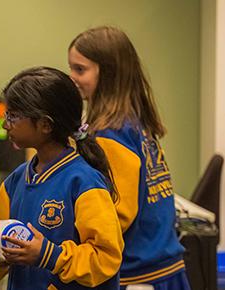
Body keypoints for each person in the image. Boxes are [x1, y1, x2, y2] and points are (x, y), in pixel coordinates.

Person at [67, 26, 190, 289]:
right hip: (163, 266)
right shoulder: (135, 124)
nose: (72, 77)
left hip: (139, 274)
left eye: (80, 69)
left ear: (108, 74)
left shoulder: (110, 135)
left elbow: (116, 214)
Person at [0, 66, 123, 289]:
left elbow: (106, 259)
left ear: (45, 124)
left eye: (13, 116)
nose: (6, 124)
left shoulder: (84, 182)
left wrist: (49, 255)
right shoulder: (15, 182)